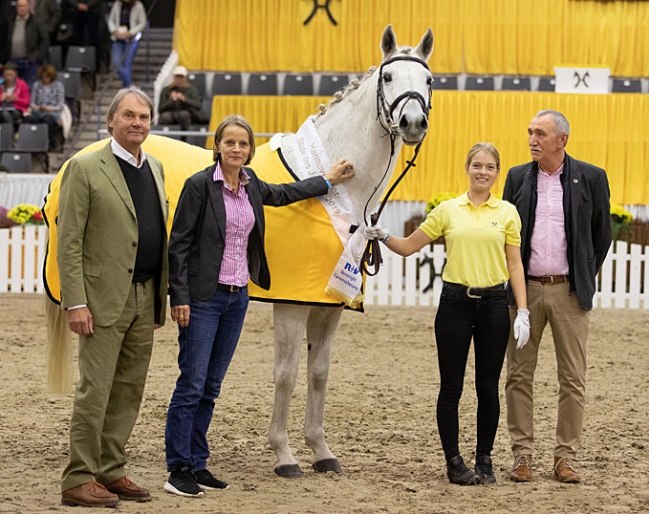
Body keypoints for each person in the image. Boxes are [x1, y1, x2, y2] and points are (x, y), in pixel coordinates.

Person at [163, 114, 356, 497]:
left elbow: (286, 193)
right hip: (202, 298)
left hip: (237, 298)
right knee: (191, 383)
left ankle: (198, 462)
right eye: (230, 142)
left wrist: (327, 181)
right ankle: (178, 467)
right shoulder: (199, 185)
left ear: (250, 150)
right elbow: (179, 243)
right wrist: (179, 297)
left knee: (211, 386)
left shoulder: (251, 187)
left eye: (243, 144)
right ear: (217, 146)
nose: (237, 149)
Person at [365, 142, 529, 485]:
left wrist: (523, 310)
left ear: (498, 173)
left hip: (495, 305)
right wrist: (383, 236)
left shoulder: (508, 212)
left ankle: (484, 459)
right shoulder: (448, 210)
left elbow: (514, 263)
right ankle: (454, 461)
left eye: (489, 167)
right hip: (455, 303)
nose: (482, 172)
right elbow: (410, 247)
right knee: (451, 387)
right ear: (467, 168)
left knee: (488, 386)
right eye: (477, 165)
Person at [57, 88, 168, 508]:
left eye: (143, 116)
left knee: (128, 390)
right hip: (100, 299)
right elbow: (69, 241)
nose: (137, 122)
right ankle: (77, 477)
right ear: (110, 120)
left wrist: (160, 297)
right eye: (128, 115)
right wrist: (76, 302)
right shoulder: (84, 166)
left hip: (144, 297)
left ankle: (111, 469)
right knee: (95, 391)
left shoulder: (155, 167)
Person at [503, 110, 612, 484]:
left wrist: (582, 273)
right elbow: (508, 234)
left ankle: (565, 457)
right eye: (530, 132)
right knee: (518, 375)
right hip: (525, 291)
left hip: (570, 292)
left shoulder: (592, 177)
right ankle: (522, 456)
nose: (532, 139)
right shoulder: (517, 176)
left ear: (562, 139)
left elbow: (602, 236)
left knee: (573, 379)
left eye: (541, 133)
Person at [0, 0, 49, 88]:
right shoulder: (10, 21)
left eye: (24, 6)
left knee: (30, 88)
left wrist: (37, 56)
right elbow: (3, 41)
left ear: (29, 7)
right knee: (12, 88)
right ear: (16, 8)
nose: (22, 8)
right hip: (12, 61)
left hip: (29, 61)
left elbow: (45, 40)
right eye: (19, 6)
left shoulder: (36, 22)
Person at [24, 63, 65, 150]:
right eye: (44, 77)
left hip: (52, 111)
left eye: (47, 77)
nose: (45, 79)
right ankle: (30, 142)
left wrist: (50, 108)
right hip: (38, 111)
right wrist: (38, 107)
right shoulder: (37, 85)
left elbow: (60, 105)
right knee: (30, 119)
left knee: (47, 119)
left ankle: (48, 142)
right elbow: (32, 103)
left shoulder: (59, 86)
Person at [107, 0, 146, 88]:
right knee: (116, 63)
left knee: (127, 64)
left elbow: (142, 23)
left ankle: (126, 87)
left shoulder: (138, 5)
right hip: (118, 38)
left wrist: (131, 32)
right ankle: (130, 85)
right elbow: (111, 20)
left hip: (131, 39)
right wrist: (114, 31)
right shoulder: (117, 4)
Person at [158, 66, 203, 131]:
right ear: (174, 77)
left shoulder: (191, 90)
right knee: (165, 117)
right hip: (170, 112)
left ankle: (184, 138)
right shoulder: (166, 90)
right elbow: (160, 109)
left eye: (181, 77)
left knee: (184, 115)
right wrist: (170, 101)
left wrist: (184, 99)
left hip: (186, 112)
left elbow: (198, 105)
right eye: (177, 77)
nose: (179, 79)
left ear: (185, 78)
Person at [0, 62, 30, 132]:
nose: (9, 77)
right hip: (1, 108)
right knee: (4, 113)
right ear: (3, 74)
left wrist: (16, 99)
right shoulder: (0, 83)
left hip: (16, 109)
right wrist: (1, 98)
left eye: (11, 75)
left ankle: (9, 138)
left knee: (5, 115)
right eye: (7, 75)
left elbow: (27, 102)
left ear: (16, 74)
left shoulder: (22, 84)